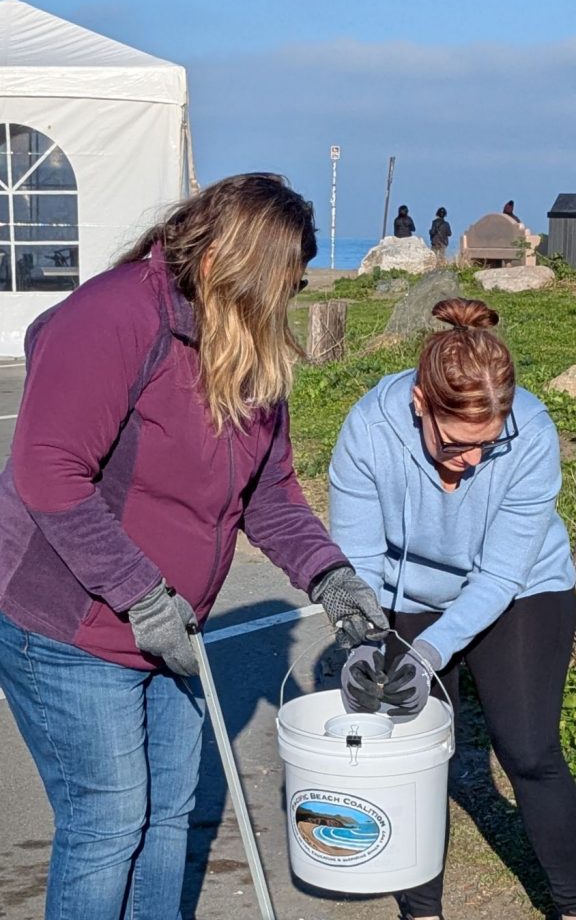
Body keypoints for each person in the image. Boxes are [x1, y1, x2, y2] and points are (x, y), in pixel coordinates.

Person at [0, 173, 388, 920]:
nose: (288, 300)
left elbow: (269, 495)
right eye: (281, 281)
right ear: (222, 263)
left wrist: (332, 580)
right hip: (68, 625)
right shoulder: (114, 316)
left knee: (169, 811)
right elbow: (47, 472)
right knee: (110, 821)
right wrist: (140, 593)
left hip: (172, 626)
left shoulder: (248, 346)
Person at [329, 297, 576, 920]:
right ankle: (422, 911)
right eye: (457, 444)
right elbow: (358, 561)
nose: (471, 462)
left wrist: (434, 651)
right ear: (420, 403)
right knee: (412, 753)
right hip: (408, 593)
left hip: (522, 588)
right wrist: (362, 642)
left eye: (487, 445)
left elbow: (499, 574)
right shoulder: (367, 430)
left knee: (527, 749)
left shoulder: (535, 432)